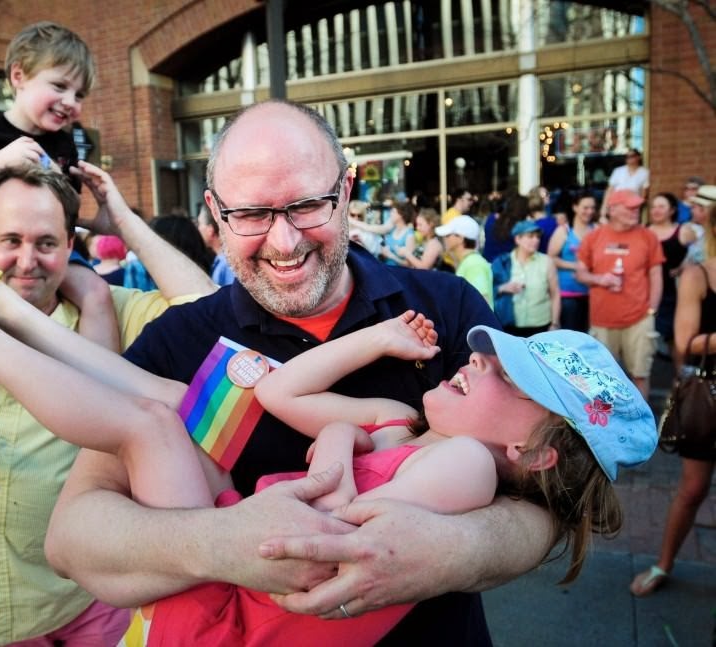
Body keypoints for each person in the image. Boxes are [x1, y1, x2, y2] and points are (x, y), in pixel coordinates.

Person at [0, 246, 656, 645]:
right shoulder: (415, 427)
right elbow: (284, 397)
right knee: (160, 401)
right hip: (236, 571)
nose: (481, 358)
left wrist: (337, 462)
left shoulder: (457, 454)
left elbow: (336, 544)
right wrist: (355, 395)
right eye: (254, 210)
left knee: (150, 420)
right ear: (217, 217)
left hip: (241, 615)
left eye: (512, 379)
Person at [44, 99, 557, 645]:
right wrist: (226, 543)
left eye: (308, 205)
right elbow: (71, 540)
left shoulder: (447, 306)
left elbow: (551, 506)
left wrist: (449, 550)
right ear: (216, 213)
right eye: (251, 214)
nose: (284, 242)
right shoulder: (177, 340)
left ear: (346, 191)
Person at [0, 136, 216, 646]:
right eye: (11, 240)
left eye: (46, 242)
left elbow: (205, 315)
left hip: (91, 588)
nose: (27, 261)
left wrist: (125, 224)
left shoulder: (110, 307)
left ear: (71, 245)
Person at [0, 20, 120, 468]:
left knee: (95, 291)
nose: (71, 103)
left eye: (79, 95)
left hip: (54, 249)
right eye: (59, 86)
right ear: (18, 76)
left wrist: (100, 215)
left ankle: (109, 391)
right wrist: (0, 161)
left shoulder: (64, 144)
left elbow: (67, 212)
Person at [630, 200, 716, 597]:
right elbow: (685, 342)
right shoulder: (699, 275)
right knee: (693, 488)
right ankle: (664, 563)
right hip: (709, 397)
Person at [576, 189, 664, 400]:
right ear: (613, 209)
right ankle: (610, 429)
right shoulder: (594, 237)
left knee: (640, 375)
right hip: (603, 320)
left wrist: (652, 310)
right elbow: (580, 273)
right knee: (604, 377)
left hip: (639, 319)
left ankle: (644, 427)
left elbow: (656, 275)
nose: (636, 211)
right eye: (630, 207)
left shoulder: (648, 236)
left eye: (637, 207)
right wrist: (599, 279)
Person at [492, 220, 560, 337]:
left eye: (538, 237)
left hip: (540, 326)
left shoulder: (546, 262)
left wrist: (555, 323)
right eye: (530, 236)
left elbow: (555, 294)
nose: (536, 240)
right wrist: (503, 288)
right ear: (517, 239)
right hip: (509, 326)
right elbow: (489, 290)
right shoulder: (503, 262)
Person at [647, 192, 691, 356]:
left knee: (674, 336)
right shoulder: (645, 232)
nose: (656, 210)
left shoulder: (683, 231)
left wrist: (682, 268)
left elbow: (700, 254)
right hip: (648, 292)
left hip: (675, 293)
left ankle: (678, 376)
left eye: (661, 206)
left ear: (672, 210)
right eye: (653, 207)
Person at [547, 191, 596, 332]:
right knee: (571, 338)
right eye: (585, 208)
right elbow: (550, 259)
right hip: (568, 294)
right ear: (575, 207)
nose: (590, 211)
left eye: (592, 208)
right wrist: (575, 266)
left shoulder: (597, 230)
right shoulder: (564, 231)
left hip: (592, 293)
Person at [435, 215, 493, 308]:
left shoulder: (473, 264)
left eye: (448, 235)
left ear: (460, 238)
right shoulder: (470, 262)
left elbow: (480, 304)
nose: (444, 238)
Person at [601, 148, 649, 218]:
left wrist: (637, 206)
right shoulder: (618, 171)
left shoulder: (644, 172)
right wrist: (604, 207)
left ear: (638, 157)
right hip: (616, 205)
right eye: (627, 157)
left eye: (632, 156)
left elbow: (644, 194)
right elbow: (610, 190)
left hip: (632, 207)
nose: (629, 159)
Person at [196, 205, 236, 286]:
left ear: (210, 230)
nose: (198, 229)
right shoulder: (222, 261)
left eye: (200, 224)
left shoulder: (227, 265)